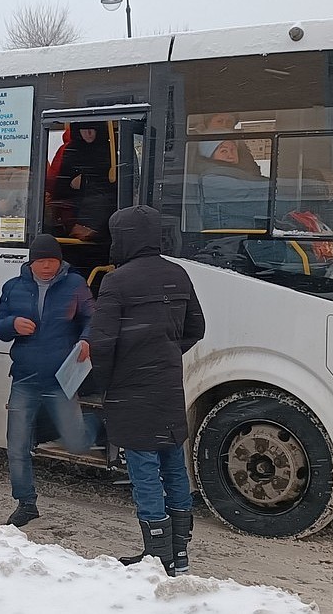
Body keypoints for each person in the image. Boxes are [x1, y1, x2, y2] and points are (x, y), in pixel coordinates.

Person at [89, 205, 205, 576]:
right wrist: (165, 352)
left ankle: (156, 554)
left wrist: (103, 381)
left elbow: (102, 342)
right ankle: (180, 553)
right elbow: (195, 329)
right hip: (168, 384)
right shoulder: (178, 274)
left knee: (143, 469)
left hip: (131, 387)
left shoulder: (117, 281)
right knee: (173, 463)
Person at [0, 233, 93, 527]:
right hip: (24, 377)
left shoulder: (75, 285)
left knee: (76, 442)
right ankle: (26, 503)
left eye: (52, 261)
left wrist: (86, 339)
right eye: (41, 262)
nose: (47, 267)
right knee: (16, 444)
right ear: (31, 263)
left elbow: (92, 317)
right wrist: (11, 324)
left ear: (60, 262)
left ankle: (96, 428)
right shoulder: (13, 287)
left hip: (61, 378)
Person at [52, 122, 114, 242]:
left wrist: (85, 181)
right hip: (74, 215)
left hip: (101, 219)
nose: (88, 133)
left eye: (92, 127)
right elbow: (59, 188)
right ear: (77, 131)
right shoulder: (71, 151)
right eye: (83, 129)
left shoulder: (110, 151)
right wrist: (72, 184)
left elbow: (113, 187)